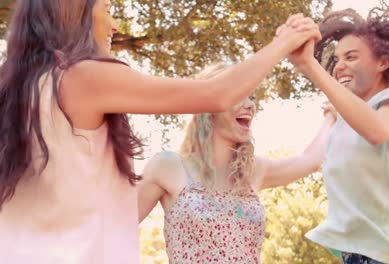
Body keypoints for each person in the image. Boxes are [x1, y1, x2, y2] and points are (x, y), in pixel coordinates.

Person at [0, 0, 320, 263]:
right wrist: (283, 42)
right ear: (73, 9)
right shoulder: (82, 78)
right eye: (109, 10)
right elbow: (216, 94)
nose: (114, 27)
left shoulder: (20, 93)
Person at [281, 3, 389, 264]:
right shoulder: (346, 123)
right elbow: (312, 159)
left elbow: (376, 129)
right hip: (358, 256)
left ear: (383, 62)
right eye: (336, 59)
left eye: (351, 57)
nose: (339, 66)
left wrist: (311, 67)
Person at [138, 62, 336, 264]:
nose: (250, 104)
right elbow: (114, 227)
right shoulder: (168, 167)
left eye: (251, 96)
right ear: (209, 103)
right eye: (239, 94)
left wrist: (331, 115)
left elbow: (309, 160)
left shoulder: (253, 171)